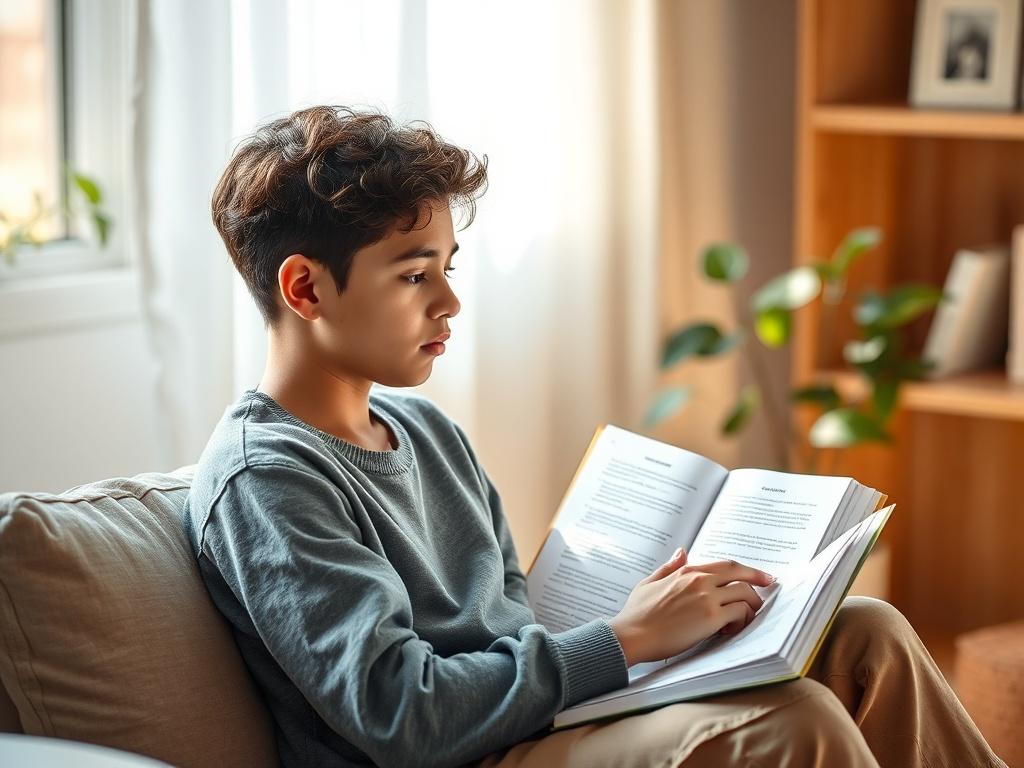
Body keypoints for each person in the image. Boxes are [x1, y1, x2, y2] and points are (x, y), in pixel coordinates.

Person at [184, 105, 1005, 768]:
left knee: (869, 631)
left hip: (538, 720)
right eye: (412, 274)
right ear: (305, 288)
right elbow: (402, 715)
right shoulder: (268, 477)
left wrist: (656, 626)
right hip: (465, 756)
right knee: (790, 722)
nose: (448, 304)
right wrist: (629, 639)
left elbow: (510, 618)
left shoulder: (424, 429)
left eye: (448, 268)